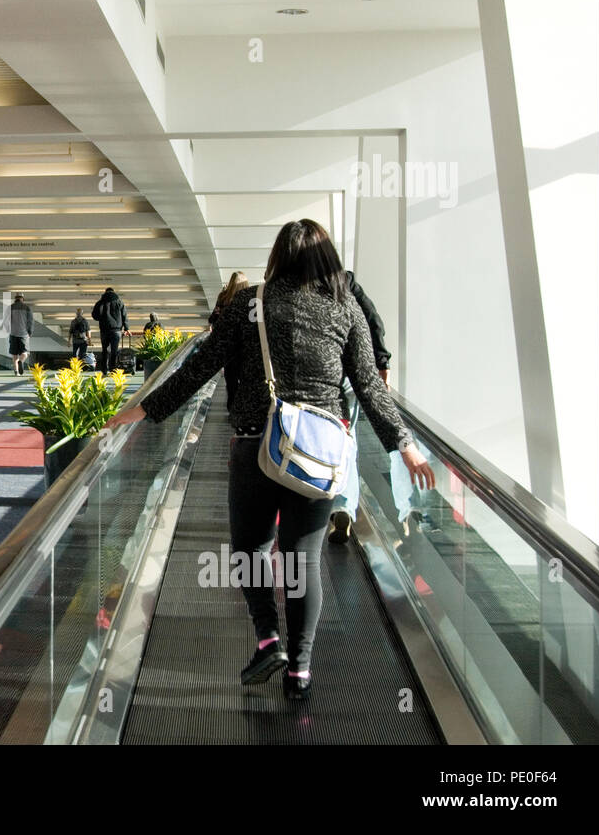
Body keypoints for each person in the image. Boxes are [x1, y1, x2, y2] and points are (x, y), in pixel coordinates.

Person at [106, 220, 435, 701]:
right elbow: (368, 384)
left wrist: (141, 410)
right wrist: (403, 444)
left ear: (278, 257)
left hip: (256, 445)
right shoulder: (346, 309)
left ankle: (268, 639)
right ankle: (300, 672)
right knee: (304, 561)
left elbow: (200, 367)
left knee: (250, 551)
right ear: (325, 259)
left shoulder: (249, 303)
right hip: (319, 456)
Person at [327, 270, 393, 545]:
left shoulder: (297, 282)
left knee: (320, 436)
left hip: (320, 376)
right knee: (348, 438)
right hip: (352, 375)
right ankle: (342, 506)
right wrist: (381, 362)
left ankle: (313, 497)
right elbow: (373, 318)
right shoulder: (346, 281)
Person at [209, 272, 251, 407]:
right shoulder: (250, 297)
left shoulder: (223, 297)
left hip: (227, 345)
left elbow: (213, 319)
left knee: (230, 376)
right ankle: (243, 405)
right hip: (245, 345)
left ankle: (232, 404)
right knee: (245, 376)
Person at [91, 287, 128, 374]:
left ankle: (104, 369)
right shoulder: (120, 302)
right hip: (116, 330)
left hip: (104, 330)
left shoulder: (100, 302)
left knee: (104, 349)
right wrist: (126, 328)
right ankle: (113, 369)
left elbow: (95, 315)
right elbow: (124, 315)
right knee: (114, 350)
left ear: (105, 292)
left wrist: (102, 318)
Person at [3, 293, 34, 375]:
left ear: (15, 298)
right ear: (22, 299)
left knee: (14, 354)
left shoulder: (10, 307)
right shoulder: (27, 308)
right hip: (24, 334)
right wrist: (30, 332)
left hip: (13, 334)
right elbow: (30, 322)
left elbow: (5, 321)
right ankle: (21, 361)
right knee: (25, 353)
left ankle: (16, 372)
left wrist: (8, 330)